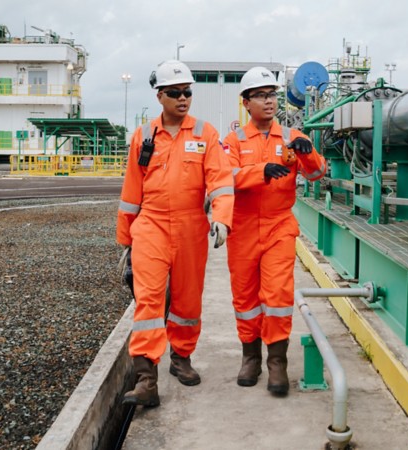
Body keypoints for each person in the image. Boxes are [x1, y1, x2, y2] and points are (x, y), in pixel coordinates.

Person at [116, 60, 234, 407]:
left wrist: (222, 218)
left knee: (186, 301)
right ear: (160, 96)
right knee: (149, 301)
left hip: (190, 227)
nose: (184, 99)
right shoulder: (144, 136)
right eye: (176, 93)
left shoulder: (205, 134)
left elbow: (220, 180)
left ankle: (181, 358)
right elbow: (131, 190)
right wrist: (125, 240)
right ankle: (145, 379)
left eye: (188, 92)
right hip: (150, 225)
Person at [222, 67, 327, 396]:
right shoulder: (234, 140)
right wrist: (260, 171)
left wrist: (309, 157)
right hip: (241, 228)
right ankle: (250, 357)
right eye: (261, 96)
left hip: (279, 225)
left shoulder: (293, 137)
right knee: (245, 298)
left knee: (278, 296)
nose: (269, 102)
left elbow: (317, 174)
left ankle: (277, 363)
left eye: (273, 95)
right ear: (246, 102)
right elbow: (226, 177)